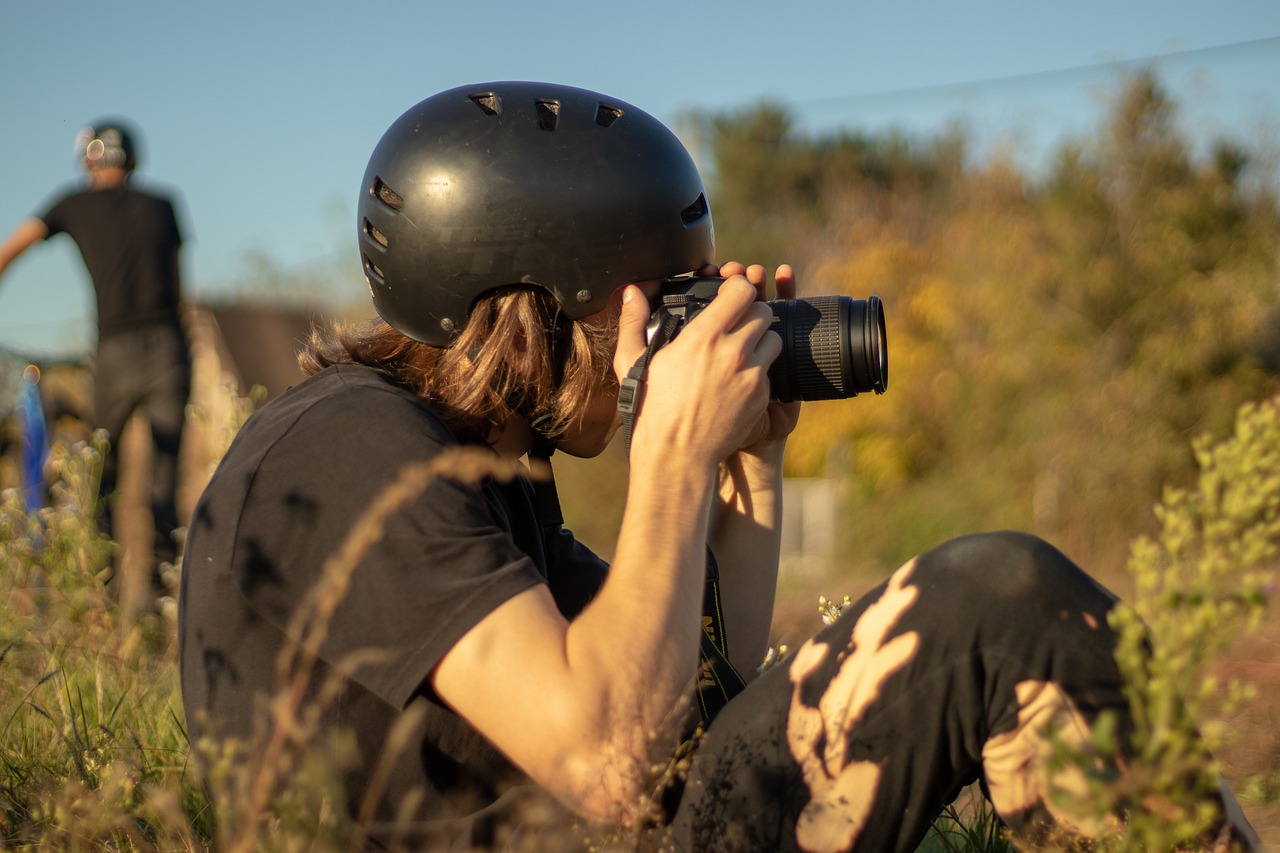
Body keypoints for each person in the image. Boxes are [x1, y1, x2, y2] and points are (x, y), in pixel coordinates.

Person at [178, 82, 1260, 852]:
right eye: (663, 306)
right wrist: (671, 454)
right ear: (545, 305)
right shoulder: (353, 447)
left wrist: (743, 468)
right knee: (999, 600)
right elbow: (608, 764)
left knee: (992, 612)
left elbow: (689, 719)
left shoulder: (485, 466)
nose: (676, 341)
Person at [0, 119, 192, 572]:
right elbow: (180, 287)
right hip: (169, 349)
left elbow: (14, 247)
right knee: (164, 489)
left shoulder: (74, 203)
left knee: (103, 478)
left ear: (89, 159)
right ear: (133, 160)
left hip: (115, 353)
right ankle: (160, 608)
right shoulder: (164, 205)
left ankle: (101, 594)